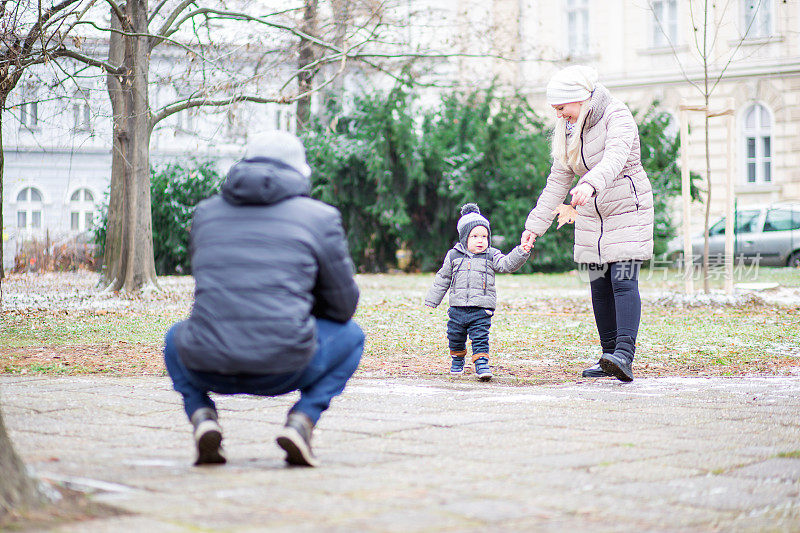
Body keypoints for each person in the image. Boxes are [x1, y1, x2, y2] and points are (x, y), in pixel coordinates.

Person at [163, 130, 364, 467]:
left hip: (209, 364)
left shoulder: (205, 214)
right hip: (286, 365)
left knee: (174, 337)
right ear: (300, 172)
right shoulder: (320, 217)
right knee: (353, 336)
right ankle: (303, 420)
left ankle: (201, 415)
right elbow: (343, 307)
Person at [520, 65, 654, 382]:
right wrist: (534, 225)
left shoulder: (616, 115)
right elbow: (557, 180)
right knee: (599, 284)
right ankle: (609, 357)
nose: (559, 116)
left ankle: (623, 355)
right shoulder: (571, 129)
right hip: (592, 213)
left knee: (622, 281)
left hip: (625, 207)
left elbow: (615, 157)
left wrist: (590, 184)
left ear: (579, 99)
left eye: (562, 108)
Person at [426, 203, 531, 381]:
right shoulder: (453, 255)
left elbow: (506, 264)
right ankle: (457, 359)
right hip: (457, 307)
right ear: (464, 238)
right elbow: (443, 278)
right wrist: (432, 300)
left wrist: (521, 252)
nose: (480, 240)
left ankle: (481, 363)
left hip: (481, 308)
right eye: (475, 236)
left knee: (480, 337)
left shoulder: (491, 255)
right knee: (455, 336)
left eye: (484, 236)